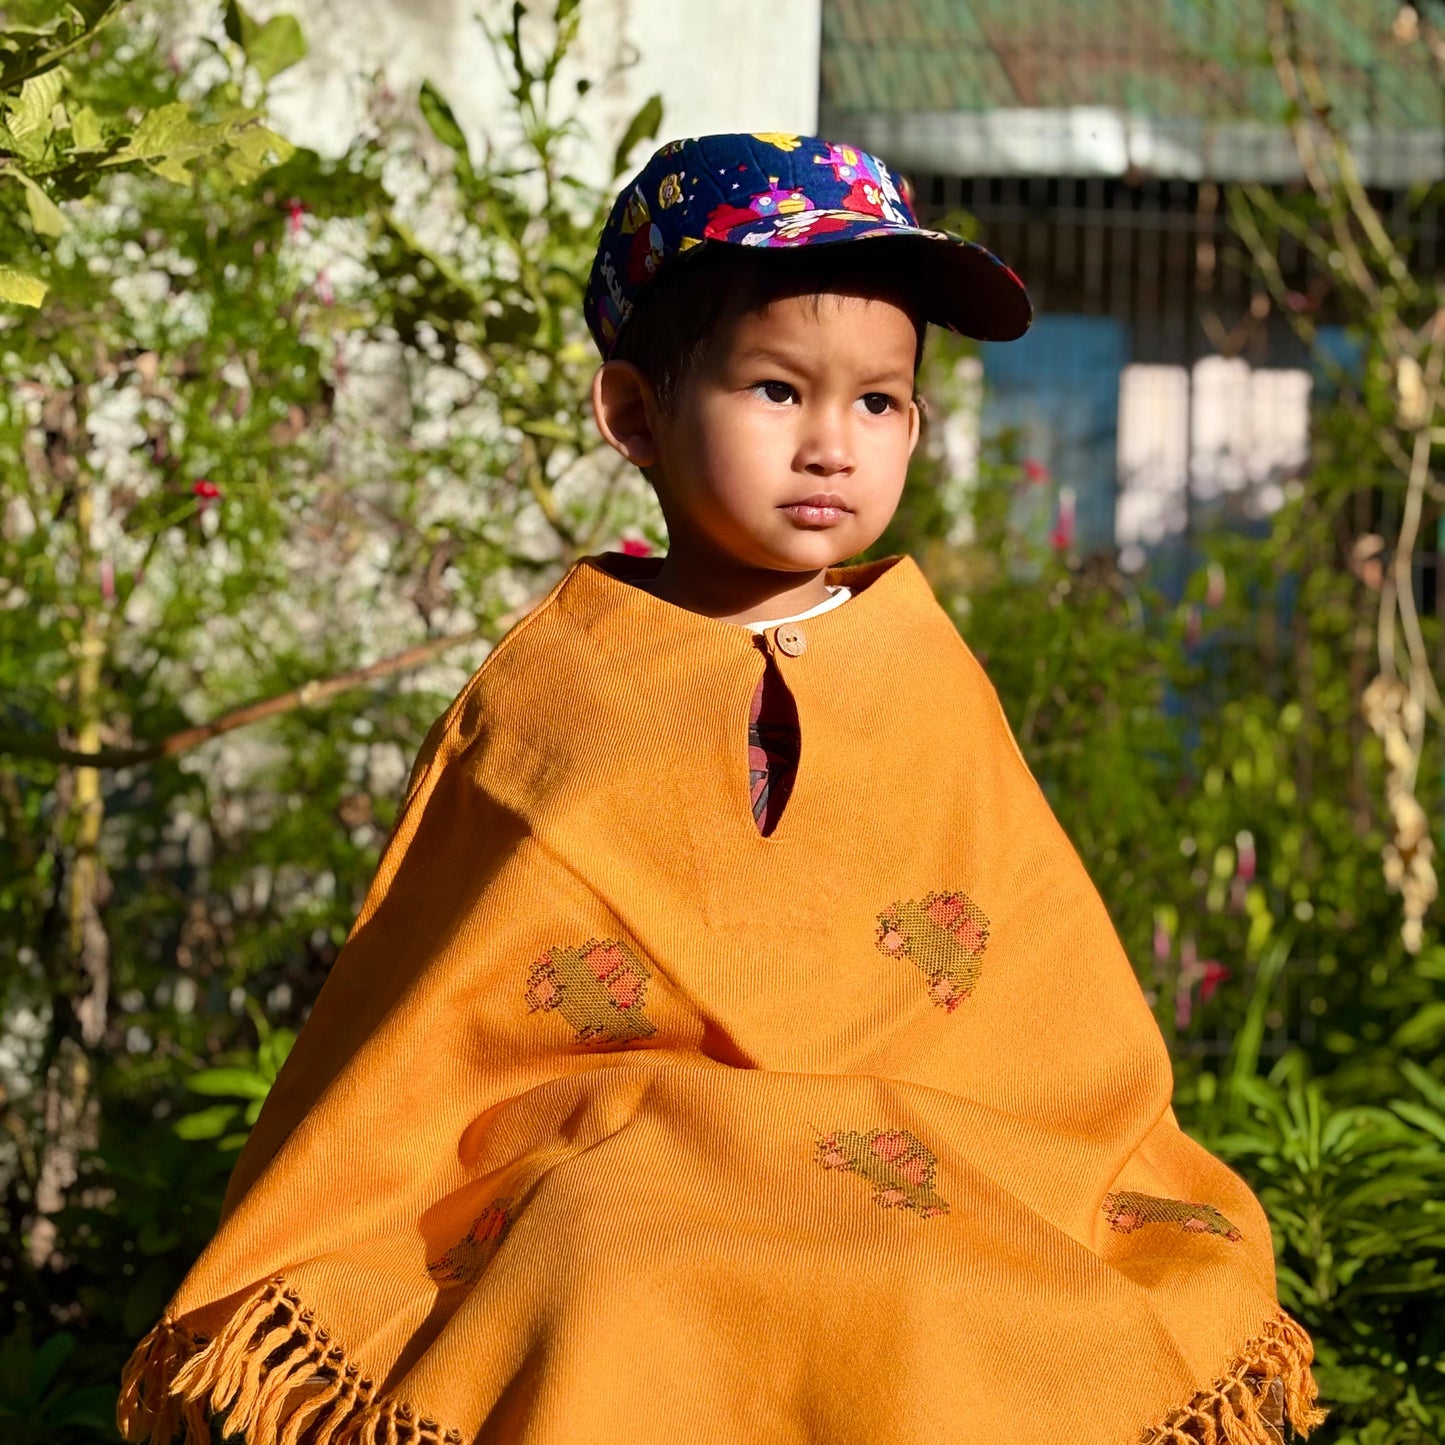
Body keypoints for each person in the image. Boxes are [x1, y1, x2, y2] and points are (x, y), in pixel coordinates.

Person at [117, 133, 1325, 1445]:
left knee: (963, 1287)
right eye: (772, 388)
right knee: (603, 1269)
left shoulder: (927, 683)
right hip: (608, 1150)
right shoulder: (556, 699)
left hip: (926, 1145)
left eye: (878, 403)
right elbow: (441, 1016)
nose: (830, 444)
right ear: (635, 412)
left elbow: (1039, 1008)